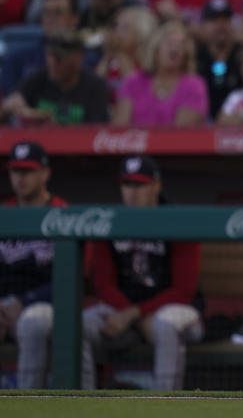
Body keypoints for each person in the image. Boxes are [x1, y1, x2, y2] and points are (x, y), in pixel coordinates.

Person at [83, 155, 203, 390]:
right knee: (78, 326)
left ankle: (164, 409)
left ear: (156, 186)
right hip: (125, 315)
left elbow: (184, 291)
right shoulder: (109, 222)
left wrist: (133, 314)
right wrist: (133, 316)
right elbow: (104, 285)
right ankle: (81, 407)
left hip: (174, 312)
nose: (132, 192)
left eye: (140, 185)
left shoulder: (179, 221)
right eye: (127, 184)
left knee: (166, 324)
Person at [1, 141, 68, 389]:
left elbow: (72, 278)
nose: (21, 178)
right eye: (16, 171)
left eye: (28, 171)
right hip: (6, 305)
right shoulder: (4, 213)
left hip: (45, 305)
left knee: (32, 322)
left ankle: (28, 406)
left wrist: (23, 302)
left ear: (45, 173)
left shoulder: (63, 213)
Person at [0, 29, 109, 125]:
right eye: (49, 56)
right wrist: (8, 108)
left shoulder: (95, 86)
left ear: (78, 57)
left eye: (59, 57)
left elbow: (94, 132)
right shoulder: (37, 79)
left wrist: (56, 127)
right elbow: (9, 107)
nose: (53, 63)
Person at [113, 21, 208, 127]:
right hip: (136, 142)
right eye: (169, 43)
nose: (174, 48)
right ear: (155, 51)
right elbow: (120, 129)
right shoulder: (133, 81)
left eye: (180, 45)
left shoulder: (194, 86)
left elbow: (181, 133)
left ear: (185, 55)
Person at [1, 0, 80, 96]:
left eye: (58, 13)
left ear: (74, 19)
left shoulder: (84, 60)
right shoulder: (17, 58)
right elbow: (6, 100)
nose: (51, 19)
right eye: (47, 13)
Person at [195, 0, 243, 119]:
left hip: (240, 126)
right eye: (214, 19)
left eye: (226, 19)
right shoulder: (195, 58)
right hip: (200, 127)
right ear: (203, 25)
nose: (220, 25)